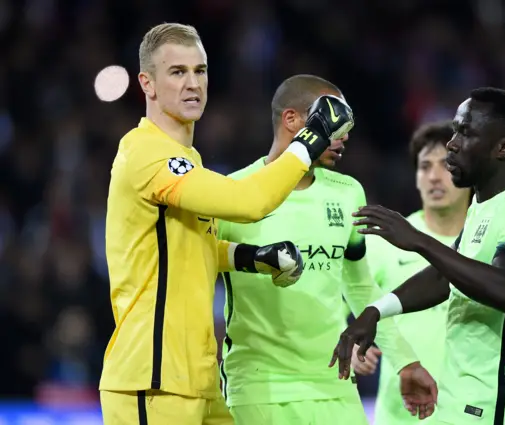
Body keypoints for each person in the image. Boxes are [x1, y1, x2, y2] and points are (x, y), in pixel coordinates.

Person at [98, 24, 354, 425]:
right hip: (152, 377)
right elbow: (248, 203)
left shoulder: (187, 159)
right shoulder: (145, 153)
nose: (192, 83)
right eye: (177, 72)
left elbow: (193, 244)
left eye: (199, 71)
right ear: (146, 83)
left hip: (197, 376)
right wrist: (312, 138)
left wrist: (253, 257)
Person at [217, 74, 437, 425]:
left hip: (335, 383)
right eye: (334, 118)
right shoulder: (232, 193)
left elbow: (360, 286)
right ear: (292, 120)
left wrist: (406, 361)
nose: (344, 134)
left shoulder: (347, 192)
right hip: (260, 387)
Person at [333, 87, 505, 425]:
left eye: (465, 132)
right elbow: (443, 277)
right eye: (455, 130)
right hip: (464, 403)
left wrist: (419, 242)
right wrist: (375, 311)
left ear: (504, 147)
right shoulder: (484, 207)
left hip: (504, 408)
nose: (452, 143)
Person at [350, 121, 470, 424]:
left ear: (469, 172)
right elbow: (334, 305)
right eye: (424, 166)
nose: (433, 176)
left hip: (473, 413)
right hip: (402, 414)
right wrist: (347, 345)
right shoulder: (387, 241)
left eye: (446, 165)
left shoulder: (487, 240)